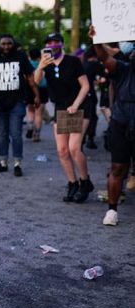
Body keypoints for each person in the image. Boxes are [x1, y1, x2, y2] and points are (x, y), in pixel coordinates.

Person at [34, 32, 93, 203]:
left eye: (56, 42)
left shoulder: (73, 61)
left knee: (74, 148)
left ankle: (85, 181)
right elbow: (36, 82)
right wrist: (40, 66)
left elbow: (85, 85)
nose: (53, 45)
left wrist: (75, 104)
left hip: (79, 107)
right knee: (62, 150)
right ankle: (72, 183)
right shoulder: (47, 64)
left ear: (61, 43)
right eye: (49, 42)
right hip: (61, 109)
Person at [89, 26, 135, 225]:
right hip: (122, 122)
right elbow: (104, 59)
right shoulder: (123, 69)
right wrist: (97, 41)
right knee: (117, 167)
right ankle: (112, 211)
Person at [0, 34, 40, 177]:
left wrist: (36, 95)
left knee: (16, 134)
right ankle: (3, 162)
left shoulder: (21, 57)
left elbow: (30, 78)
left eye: (9, 43)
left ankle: (17, 163)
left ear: (13, 44)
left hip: (17, 102)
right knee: (2, 134)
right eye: (3, 43)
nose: (6, 46)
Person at [25, 48, 49, 142]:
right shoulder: (43, 64)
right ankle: (37, 135)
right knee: (39, 113)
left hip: (30, 88)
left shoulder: (27, 64)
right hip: (42, 88)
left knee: (30, 110)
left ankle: (30, 126)